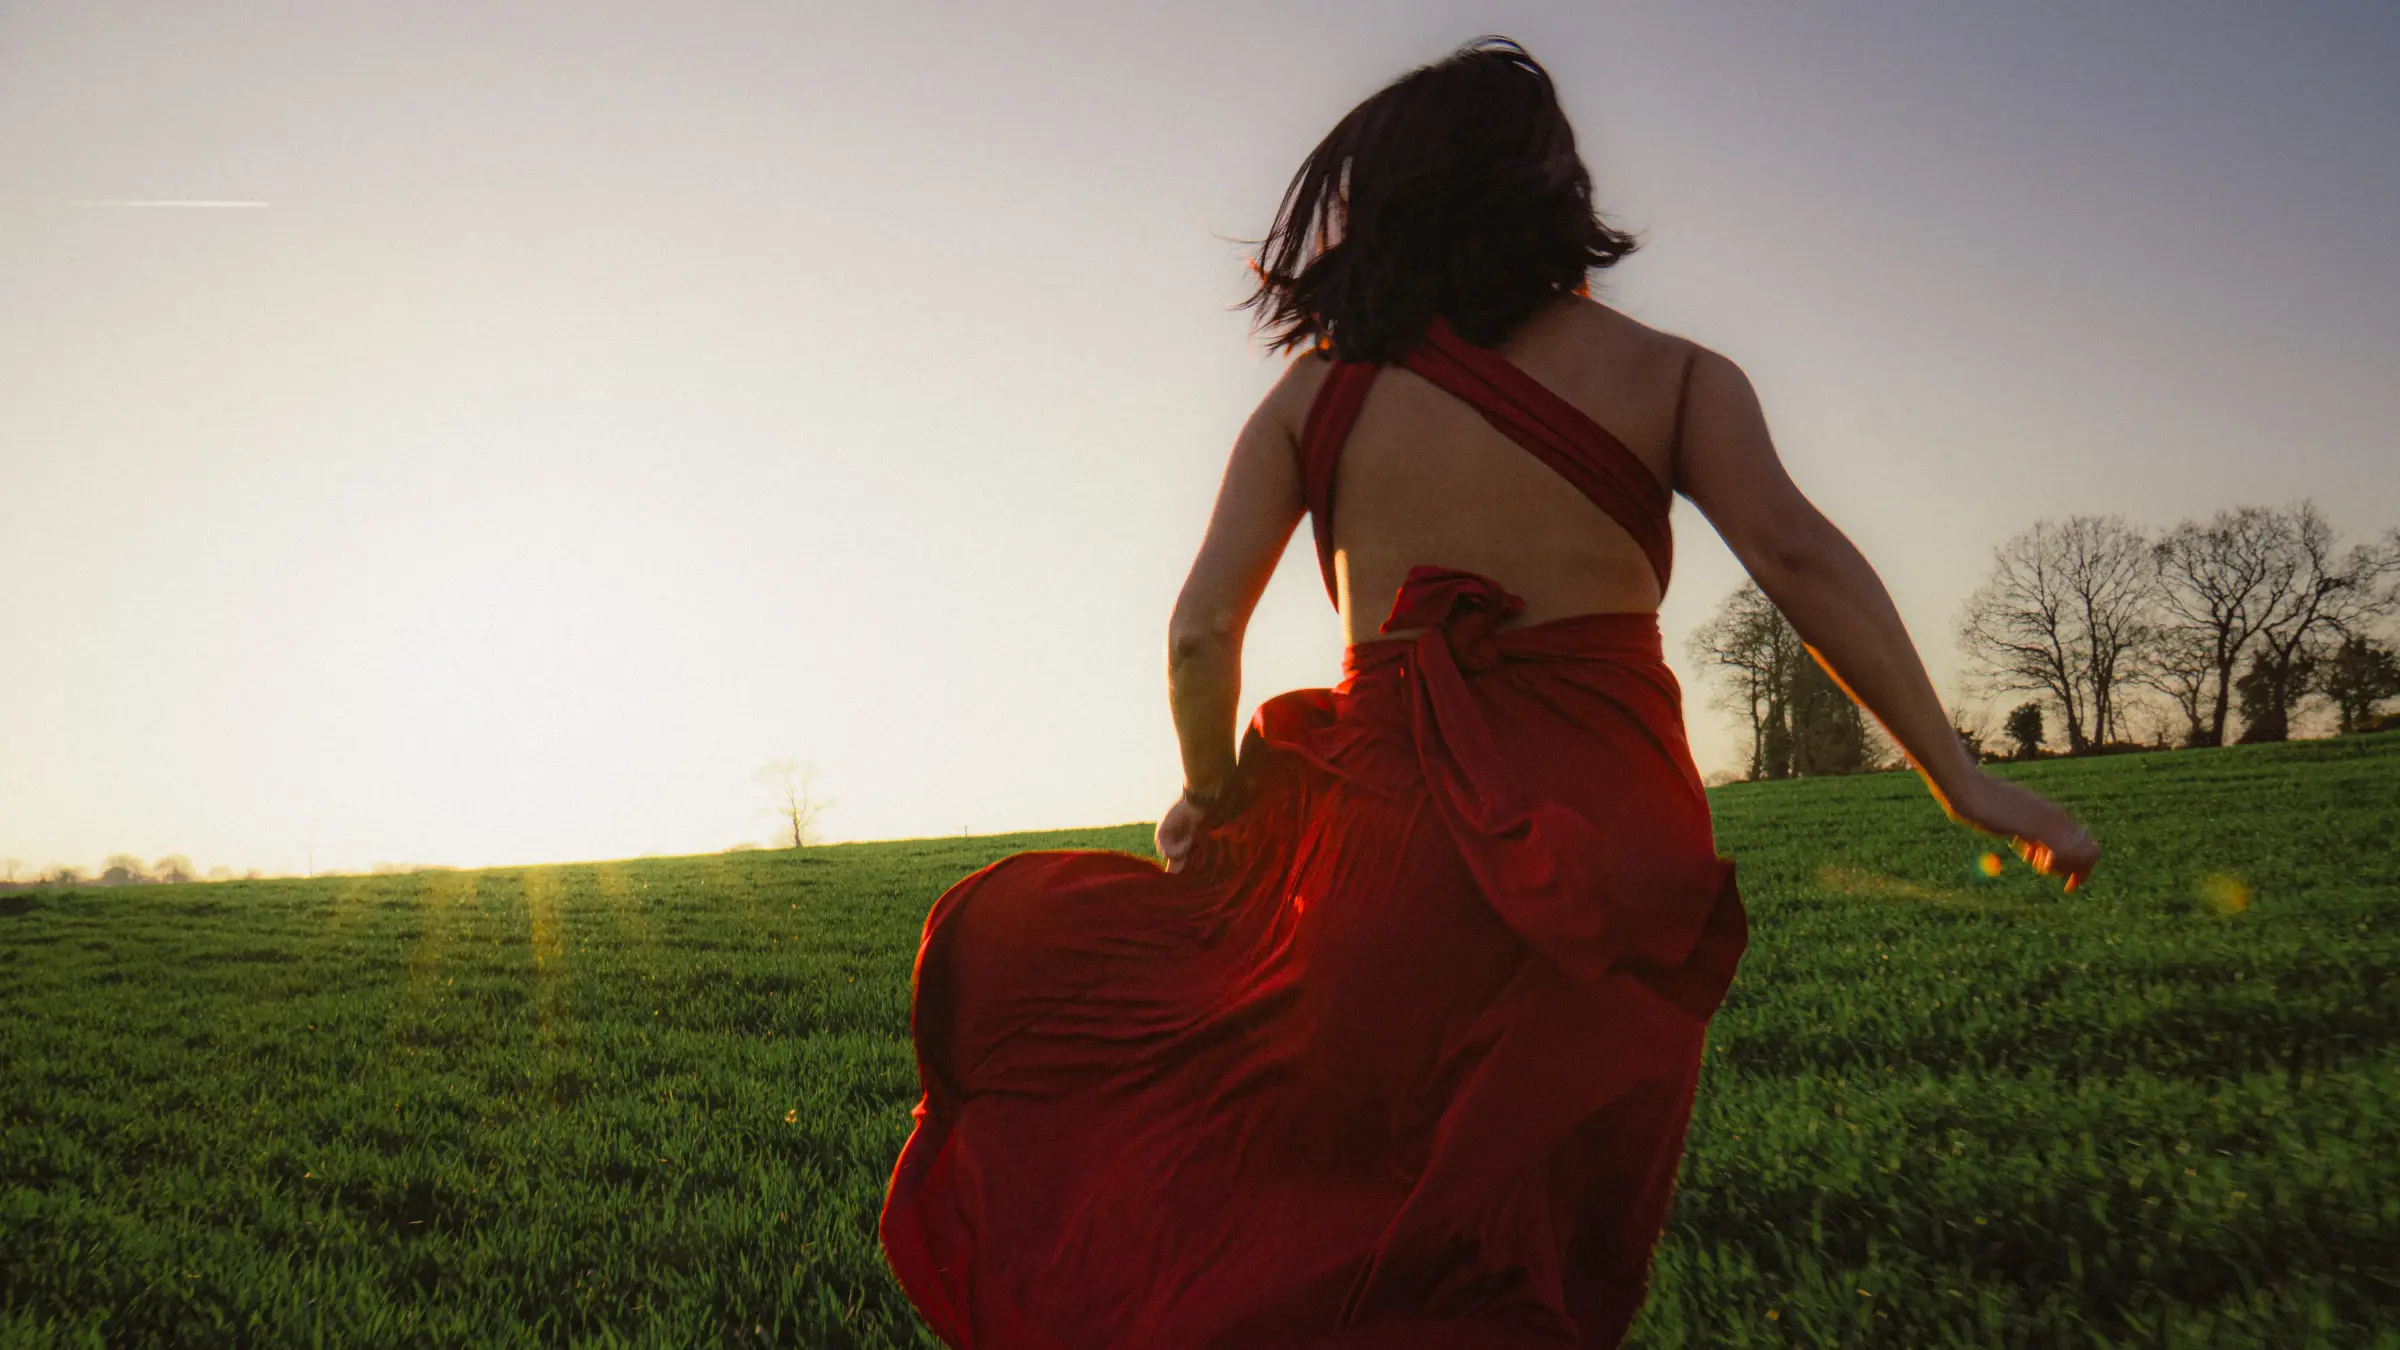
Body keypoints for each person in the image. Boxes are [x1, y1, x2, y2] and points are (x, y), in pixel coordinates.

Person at [880, 36, 2098, 1350]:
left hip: (1381, 853)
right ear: (1554, 191)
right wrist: (1958, 774)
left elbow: (1198, 634)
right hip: (1611, 856)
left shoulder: (1321, 396)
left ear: (1379, 202)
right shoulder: (1679, 376)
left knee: (1340, 1215)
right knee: (1540, 1255)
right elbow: (1805, 562)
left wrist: (1214, 795)